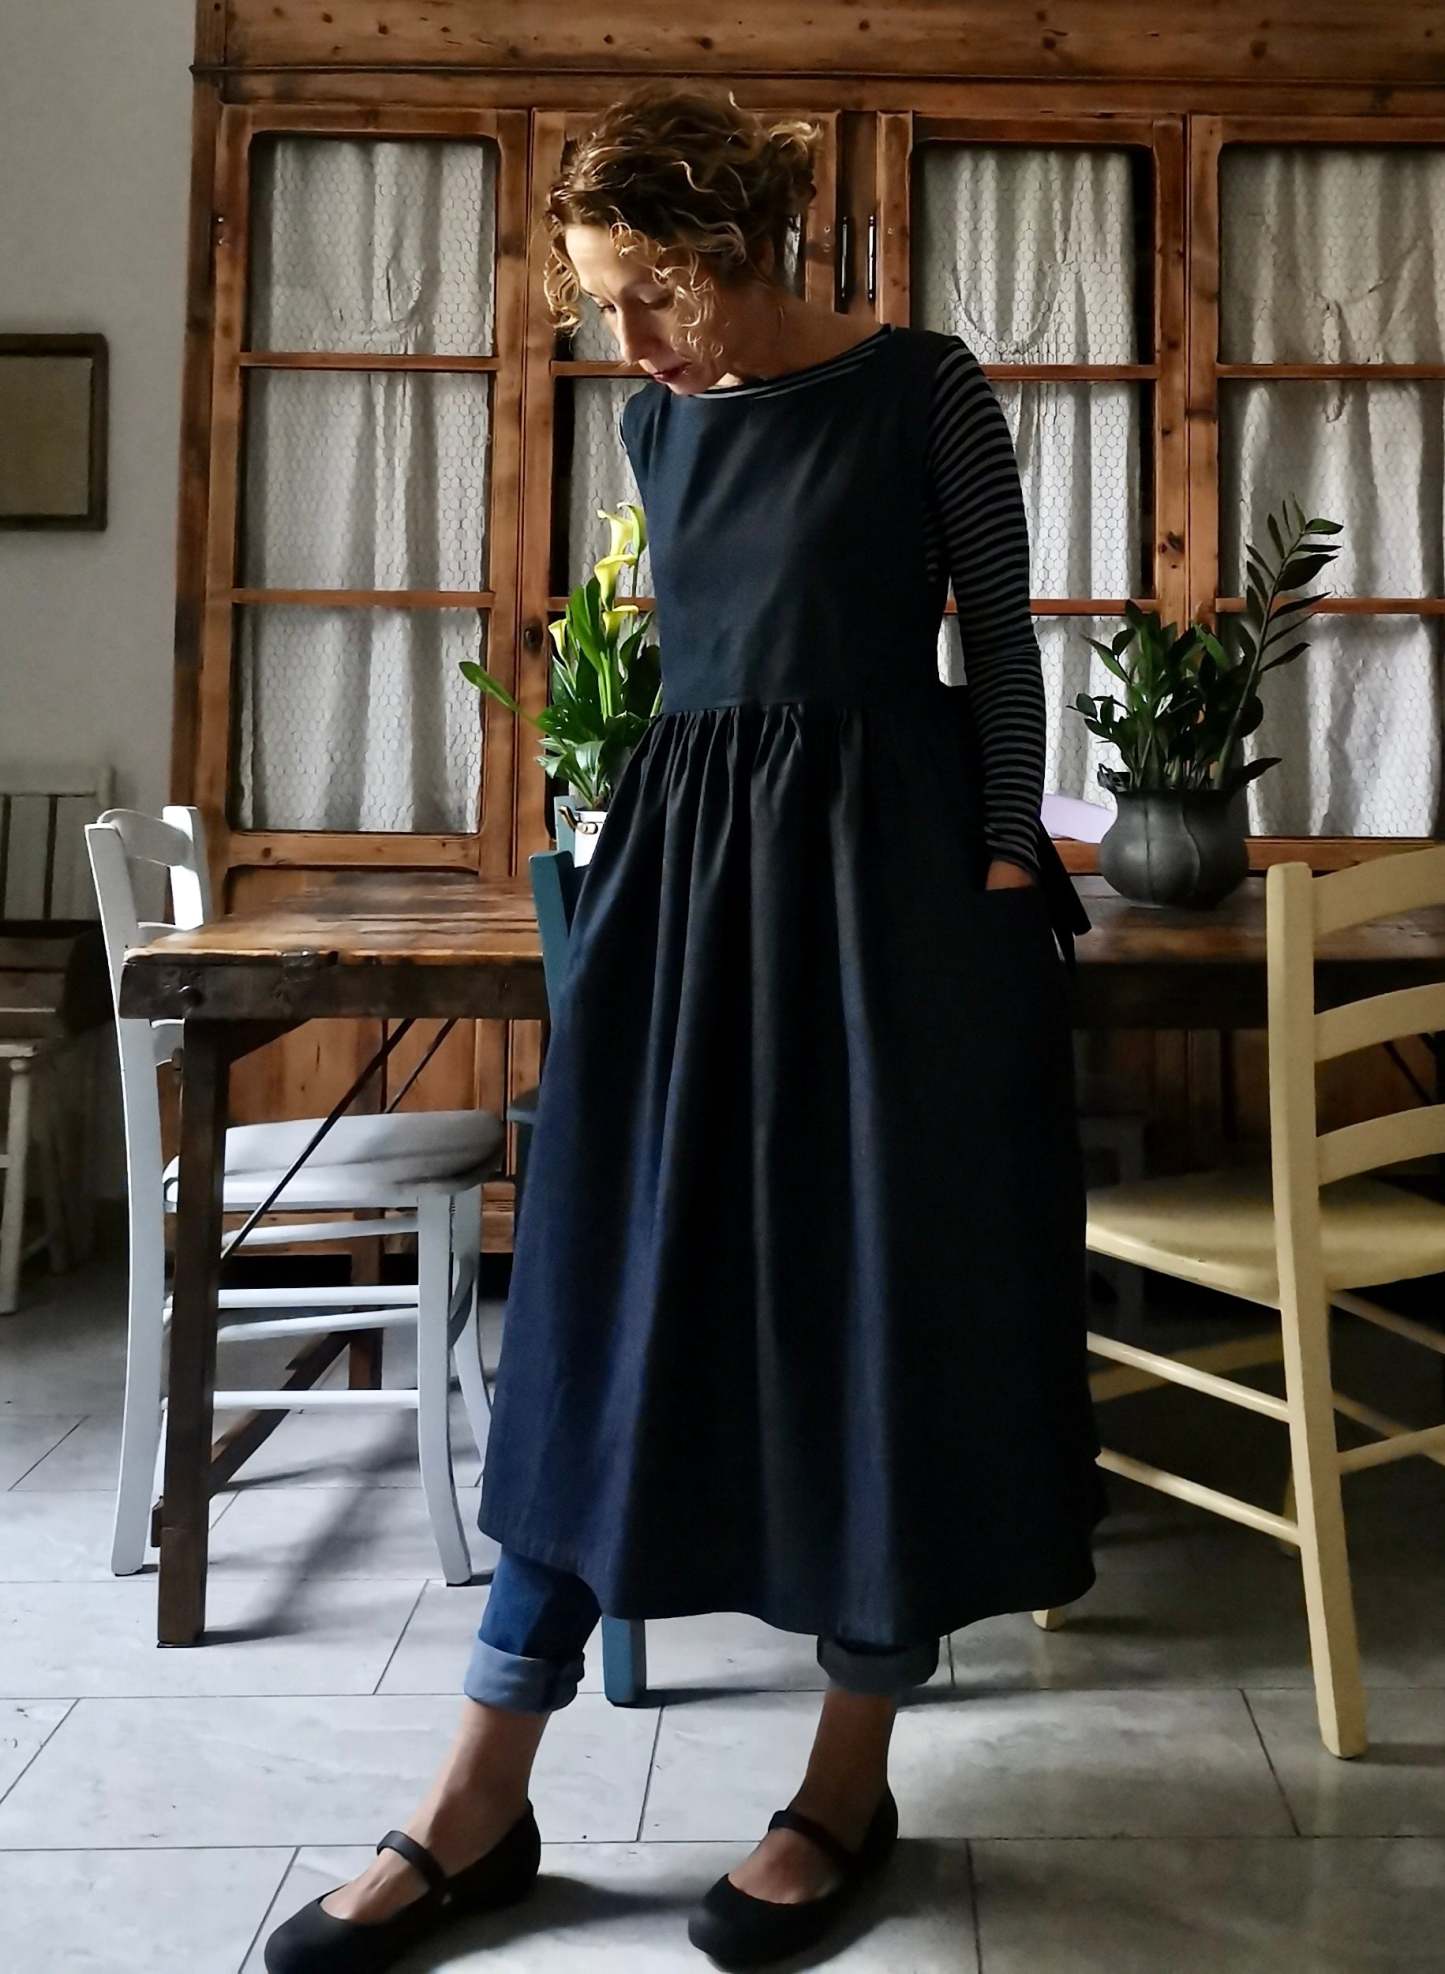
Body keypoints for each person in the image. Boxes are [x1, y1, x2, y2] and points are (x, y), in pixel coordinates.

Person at [265, 82, 1104, 1974]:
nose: (630, 341)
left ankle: (844, 1782)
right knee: (601, 1304)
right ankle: (479, 1792)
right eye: (602, 303)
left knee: (874, 1315)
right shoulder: (658, 420)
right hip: (688, 900)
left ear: (740, 251)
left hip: (888, 901)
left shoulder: (925, 388)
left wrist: (996, 864)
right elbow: (693, 678)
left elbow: (1001, 640)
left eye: (653, 293)